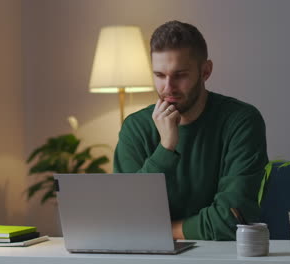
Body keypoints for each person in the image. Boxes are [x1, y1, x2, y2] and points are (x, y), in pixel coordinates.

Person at [113, 20, 268, 241]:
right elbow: (125, 217)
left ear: (205, 71)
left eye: (180, 75)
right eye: (159, 75)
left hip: (221, 255)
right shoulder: (135, 128)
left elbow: (234, 219)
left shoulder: (241, 121)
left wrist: (167, 231)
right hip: (148, 255)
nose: (168, 88)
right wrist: (166, 148)